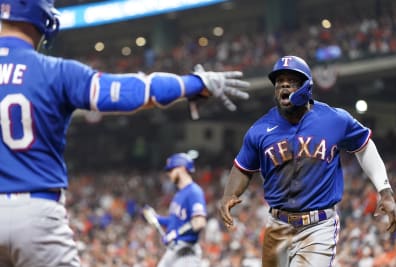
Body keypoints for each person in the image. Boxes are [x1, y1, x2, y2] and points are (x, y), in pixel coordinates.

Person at [0, 1, 249, 267]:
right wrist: (195, 84)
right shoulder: (55, 71)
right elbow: (133, 92)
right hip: (36, 214)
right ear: (43, 21)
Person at [218, 55, 396, 267]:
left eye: (292, 80)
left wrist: (385, 190)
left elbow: (364, 147)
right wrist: (229, 194)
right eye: (279, 81)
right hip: (277, 225)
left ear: (307, 86)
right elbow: (243, 167)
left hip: (318, 226)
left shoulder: (334, 119)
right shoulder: (260, 130)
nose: (284, 84)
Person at [143, 152, 207, 267]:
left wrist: (177, 233)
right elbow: (174, 222)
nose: (169, 173)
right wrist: (157, 218)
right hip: (175, 251)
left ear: (182, 168)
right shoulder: (179, 195)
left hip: (187, 252)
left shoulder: (193, 191)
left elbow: (199, 222)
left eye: (171, 169)